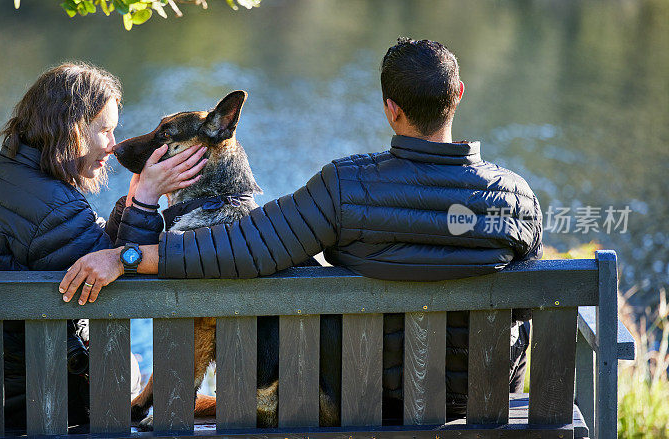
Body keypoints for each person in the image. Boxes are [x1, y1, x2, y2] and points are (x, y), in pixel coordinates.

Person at [62, 38, 543, 421]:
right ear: (458, 96)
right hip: (481, 402)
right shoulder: (518, 200)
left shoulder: (346, 188)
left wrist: (126, 256)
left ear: (390, 108)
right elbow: (528, 304)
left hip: (371, 400)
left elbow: (242, 249)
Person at [0, 62, 206, 429]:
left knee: (130, 366)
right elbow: (127, 288)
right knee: (130, 368)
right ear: (70, 126)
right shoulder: (54, 206)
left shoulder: (1, 173)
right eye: (104, 130)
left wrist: (132, 202)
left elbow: (95, 249)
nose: (113, 145)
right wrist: (147, 199)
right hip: (45, 400)